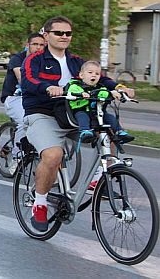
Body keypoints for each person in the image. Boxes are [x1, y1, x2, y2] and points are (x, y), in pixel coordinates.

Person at [21, 15, 135, 232]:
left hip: (74, 114)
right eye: (59, 33)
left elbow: (99, 78)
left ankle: (102, 177)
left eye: (68, 33)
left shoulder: (76, 62)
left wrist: (120, 87)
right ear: (46, 35)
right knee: (53, 156)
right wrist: (48, 87)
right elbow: (29, 80)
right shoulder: (35, 59)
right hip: (43, 114)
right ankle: (40, 203)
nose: (64, 36)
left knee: (108, 130)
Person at [0, 33, 46, 173]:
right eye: (35, 44)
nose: (38, 47)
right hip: (14, 98)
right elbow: (22, 79)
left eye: (41, 45)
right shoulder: (18, 59)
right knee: (24, 120)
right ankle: (17, 157)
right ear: (27, 45)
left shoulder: (45, 61)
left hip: (34, 97)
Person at [66, 60, 135, 146]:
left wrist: (112, 93)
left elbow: (104, 92)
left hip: (97, 111)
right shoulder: (75, 85)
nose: (94, 75)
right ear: (81, 75)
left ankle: (119, 132)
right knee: (82, 117)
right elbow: (72, 91)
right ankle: (85, 131)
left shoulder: (100, 86)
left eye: (97, 74)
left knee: (111, 118)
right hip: (81, 109)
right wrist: (81, 93)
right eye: (90, 72)